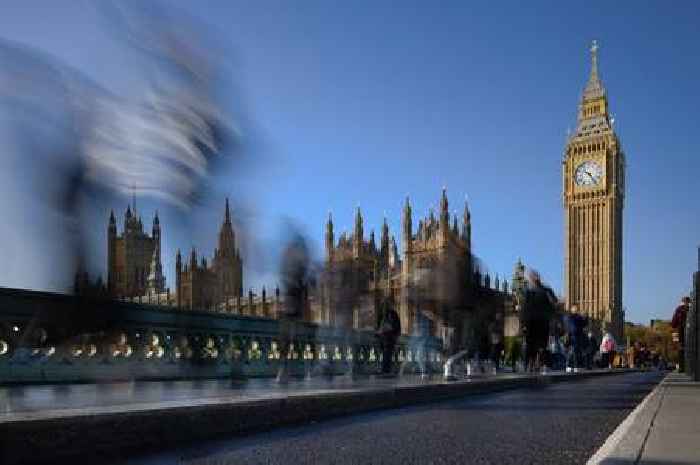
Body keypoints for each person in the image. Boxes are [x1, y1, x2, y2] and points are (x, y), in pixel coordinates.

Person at [276, 232, 310, 383]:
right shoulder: (297, 265)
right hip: (293, 307)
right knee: (290, 338)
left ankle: (288, 370)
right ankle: (290, 370)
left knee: (289, 339)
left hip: (293, 307)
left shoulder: (294, 265)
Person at [522, 270, 557, 372]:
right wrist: (523, 323)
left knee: (541, 345)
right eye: (531, 277)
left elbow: (554, 303)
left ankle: (537, 363)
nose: (532, 279)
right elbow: (524, 308)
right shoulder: (528, 291)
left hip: (542, 321)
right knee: (531, 344)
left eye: (533, 277)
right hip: (532, 321)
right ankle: (531, 364)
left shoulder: (546, 290)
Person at [377, 297, 401, 375]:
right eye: (384, 304)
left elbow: (397, 327)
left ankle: (386, 369)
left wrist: (394, 334)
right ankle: (385, 369)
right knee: (385, 354)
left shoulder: (393, 314)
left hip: (390, 338)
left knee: (388, 354)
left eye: (386, 304)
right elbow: (378, 326)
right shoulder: (381, 314)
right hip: (383, 337)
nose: (385, 305)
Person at [671, 296, 690, 372]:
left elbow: (673, 322)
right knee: (690, 348)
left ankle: (682, 367)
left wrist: (674, 326)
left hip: (681, 331)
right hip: (690, 332)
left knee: (681, 349)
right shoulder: (691, 308)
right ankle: (688, 366)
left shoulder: (679, 309)